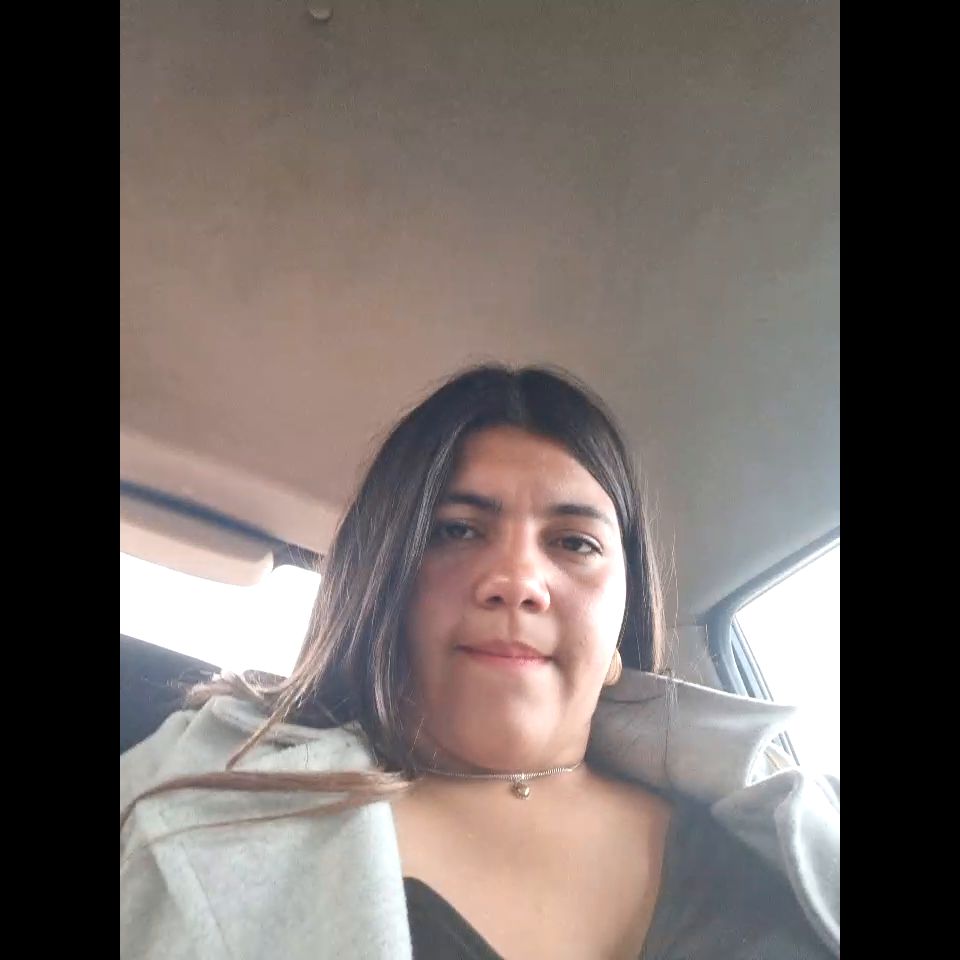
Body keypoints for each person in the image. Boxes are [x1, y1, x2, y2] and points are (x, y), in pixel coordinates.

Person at [120, 364, 840, 960]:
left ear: (623, 616)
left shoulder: (783, 828)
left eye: (574, 543)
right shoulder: (204, 806)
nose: (518, 580)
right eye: (458, 530)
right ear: (384, 584)